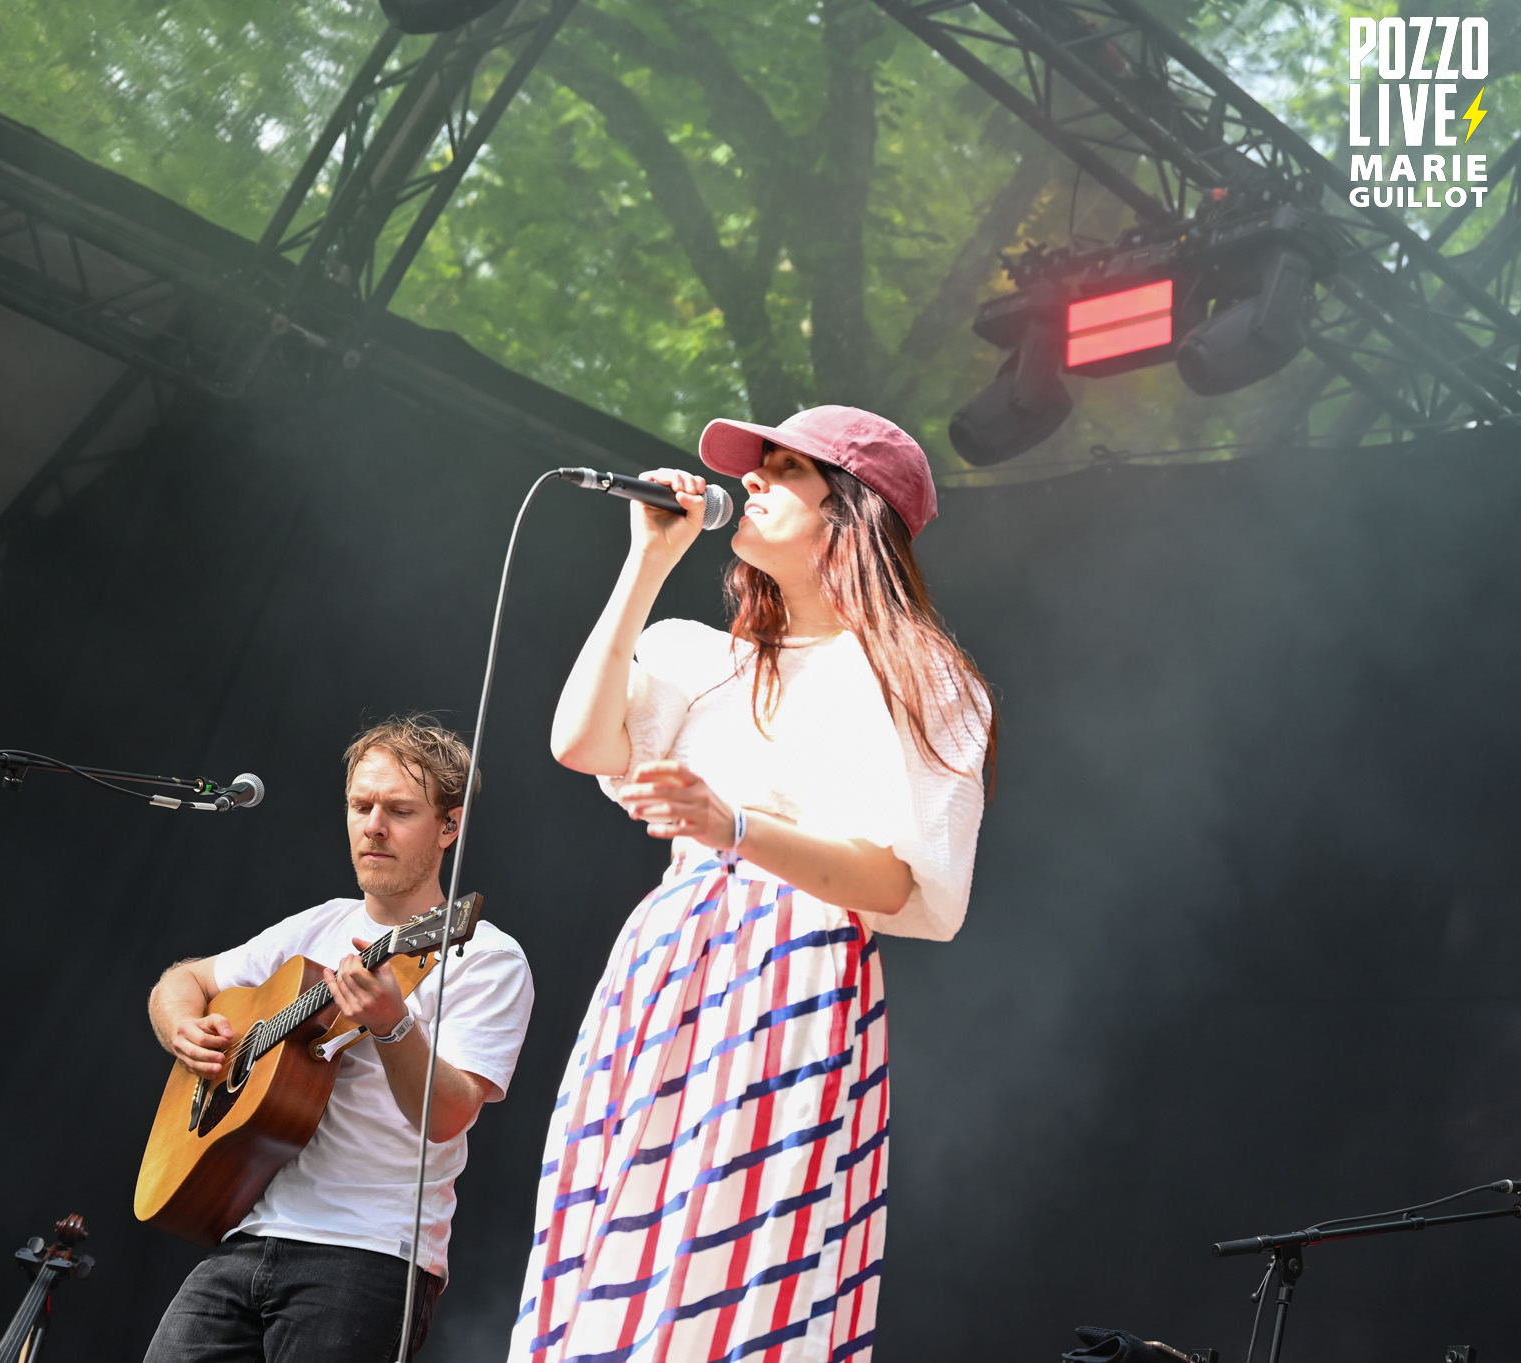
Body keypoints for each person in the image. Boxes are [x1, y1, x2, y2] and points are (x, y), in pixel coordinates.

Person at [510, 406, 994, 1363]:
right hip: (666, 963)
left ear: (848, 512)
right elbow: (579, 741)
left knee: (727, 1253)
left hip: (795, 969)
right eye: (757, 466)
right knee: (618, 1226)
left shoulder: (917, 675)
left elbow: (897, 883)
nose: (755, 483)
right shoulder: (705, 655)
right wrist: (647, 561)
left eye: (783, 469)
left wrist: (736, 826)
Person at [146, 716, 535, 1363]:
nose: (372, 825)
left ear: (449, 825)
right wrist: (184, 1028)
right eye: (361, 805)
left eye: (399, 809)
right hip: (247, 1234)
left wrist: (392, 1023)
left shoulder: (487, 956)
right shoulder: (318, 924)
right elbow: (181, 979)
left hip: (370, 1253)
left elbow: (448, 1114)